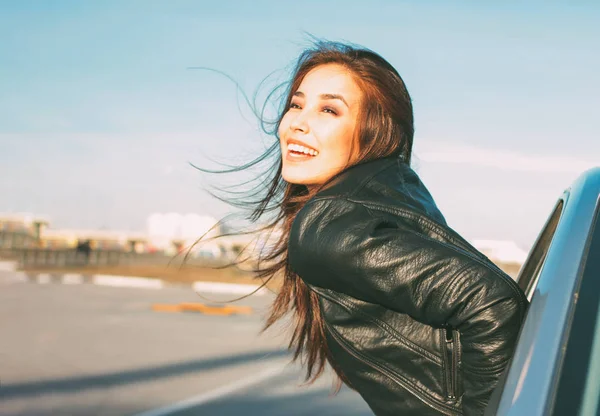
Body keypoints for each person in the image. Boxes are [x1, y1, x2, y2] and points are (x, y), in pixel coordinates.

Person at [203, 40, 528, 416]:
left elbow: (492, 303)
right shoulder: (397, 189)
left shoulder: (330, 227)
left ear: (374, 131)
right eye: (296, 104)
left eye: (328, 109)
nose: (297, 123)